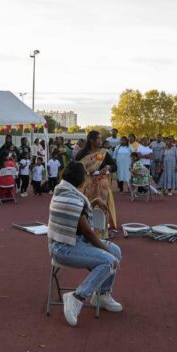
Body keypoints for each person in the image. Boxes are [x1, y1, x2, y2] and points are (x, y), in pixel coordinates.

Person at [47, 162, 122, 327]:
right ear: (81, 179)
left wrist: (92, 202)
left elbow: (78, 215)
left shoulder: (63, 191)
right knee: (109, 260)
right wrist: (106, 252)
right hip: (63, 249)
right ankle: (77, 297)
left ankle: (102, 295)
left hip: (72, 243)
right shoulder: (73, 199)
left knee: (116, 250)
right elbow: (88, 232)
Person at [74, 131, 118, 233]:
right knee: (87, 207)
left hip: (102, 187)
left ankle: (102, 232)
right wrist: (85, 170)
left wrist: (108, 167)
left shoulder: (103, 153)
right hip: (87, 186)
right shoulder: (82, 154)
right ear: (91, 140)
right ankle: (86, 230)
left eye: (100, 138)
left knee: (102, 207)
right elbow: (74, 168)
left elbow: (114, 166)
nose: (100, 141)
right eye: (98, 138)